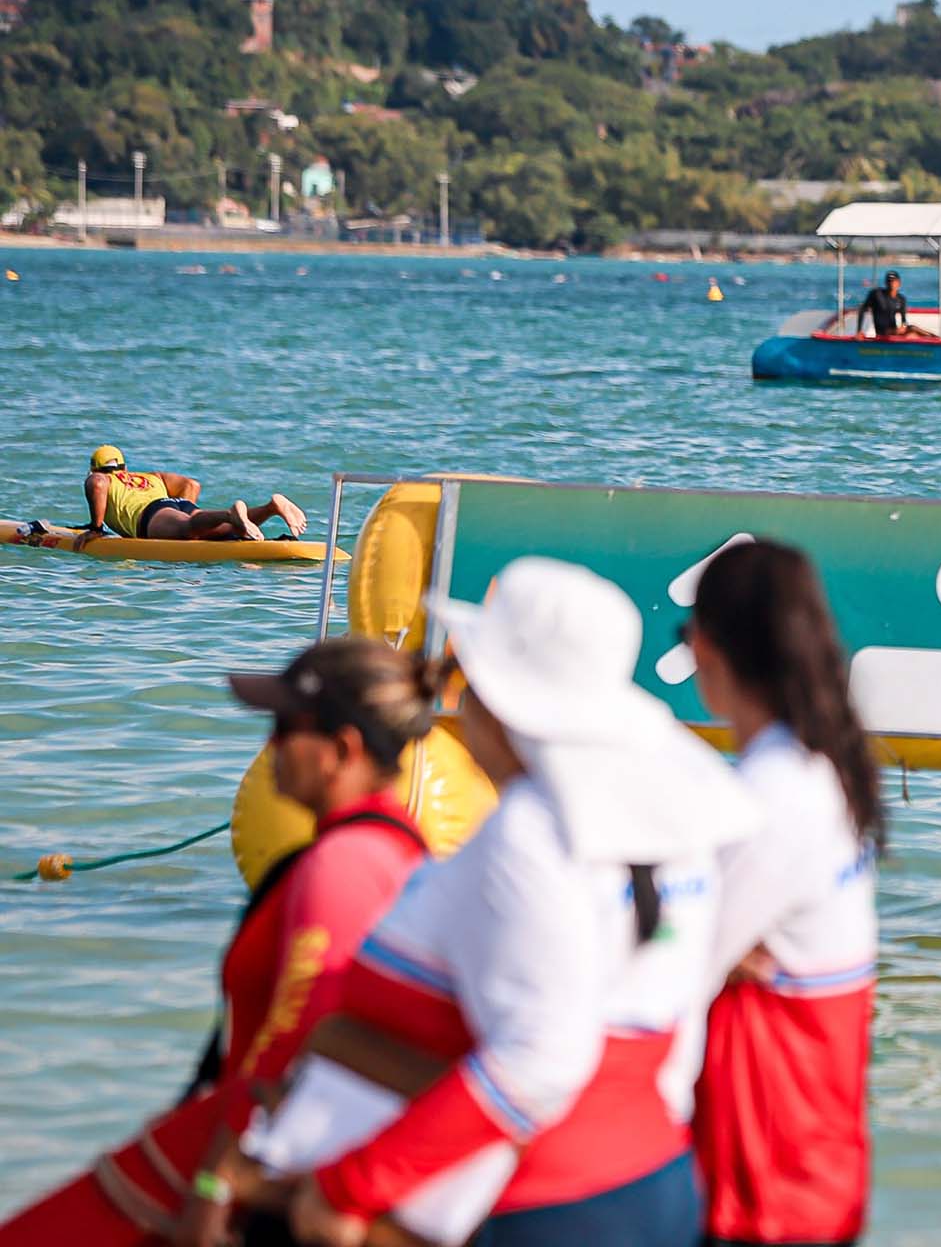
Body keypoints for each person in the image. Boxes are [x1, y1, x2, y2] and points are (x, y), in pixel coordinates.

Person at [246, 557, 759, 1247]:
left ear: (498, 700)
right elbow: (671, 1029)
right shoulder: (669, 815)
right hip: (650, 1175)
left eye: (467, 683)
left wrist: (353, 1185)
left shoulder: (531, 831)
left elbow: (542, 1060)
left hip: (543, 1206)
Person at [0, 638, 434, 1247]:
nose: (269, 747)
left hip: (247, 1165)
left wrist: (216, 1184)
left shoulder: (342, 865)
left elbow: (299, 1040)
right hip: (265, 1153)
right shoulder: (396, 849)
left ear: (343, 749)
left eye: (285, 728)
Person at [682, 540, 883, 1247]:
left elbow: (675, 972)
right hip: (815, 1156)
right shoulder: (825, 768)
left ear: (705, 648)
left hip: (762, 1171)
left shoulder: (769, 793)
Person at [76, 445, 309, 546]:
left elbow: (97, 483)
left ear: (94, 469)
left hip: (151, 515)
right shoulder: (150, 476)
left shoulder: (102, 479)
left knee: (188, 528)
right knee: (229, 531)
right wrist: (186, 511)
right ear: (124, 467)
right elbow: (191, 484)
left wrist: (96, 528)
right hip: (175, 504)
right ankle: (270, 508)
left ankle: (229, 514)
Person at [854, 272, 933, 340]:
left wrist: (903, 327)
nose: (891, 283)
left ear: (899, 283)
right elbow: (862, 309)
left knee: (912, 333)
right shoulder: (877, 294)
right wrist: (859, 331)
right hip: (882, 332)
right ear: (886, 283)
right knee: (912, 329)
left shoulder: (901, 299)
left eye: (893, 281)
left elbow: (904, 321)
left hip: (894, 332)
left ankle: (935, 339)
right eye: (889, 281)